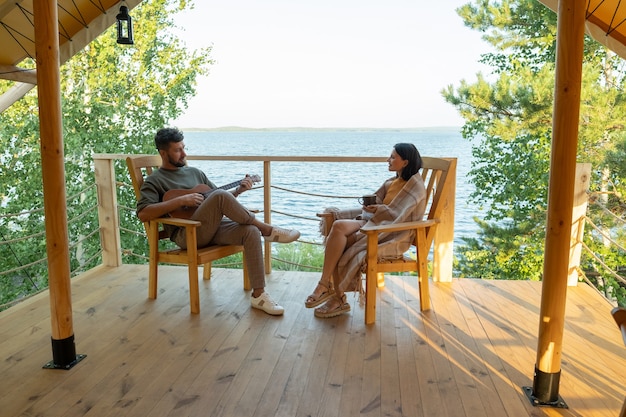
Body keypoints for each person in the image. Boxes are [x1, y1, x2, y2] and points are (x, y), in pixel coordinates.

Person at [136, 127, 300, 316]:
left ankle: (259, 295)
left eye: (184, 147)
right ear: (163, 153)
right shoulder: (154, 181)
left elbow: (218, 201)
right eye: (177, 150)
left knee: (250, 231)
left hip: (210, 228)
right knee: (224, 199)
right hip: (187, 235)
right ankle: (268, 230)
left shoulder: (195, 173)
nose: (184, 154)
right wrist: (180, 200)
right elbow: (143, 213)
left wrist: (239, 191)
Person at [305, 143, 427, 318]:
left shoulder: (415, 188)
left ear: (406, 162)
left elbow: (400, 216)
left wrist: (380, 210)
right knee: (338, 228)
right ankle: (332, 293)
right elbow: (383, 201)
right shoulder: (393, 181)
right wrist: (375, 205)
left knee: (341, 234)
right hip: (375, 223)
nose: (388, 160)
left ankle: (331, 293)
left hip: (391, 233)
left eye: (393, 157)